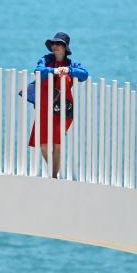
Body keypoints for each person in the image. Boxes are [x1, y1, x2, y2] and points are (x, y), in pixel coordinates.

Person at [28, 31, 88, 178]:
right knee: (42, 145)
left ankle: (54, 177)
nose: (55, 46)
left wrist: (69, 70)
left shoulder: (71, 64)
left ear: (65, 48)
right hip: (44, 106)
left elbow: (84, 74)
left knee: (57, 143)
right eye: (53, 43)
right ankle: (54, 171)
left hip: (62, 107)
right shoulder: (46, 59)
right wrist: (55, 70)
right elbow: (38, 71)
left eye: (59, 44)